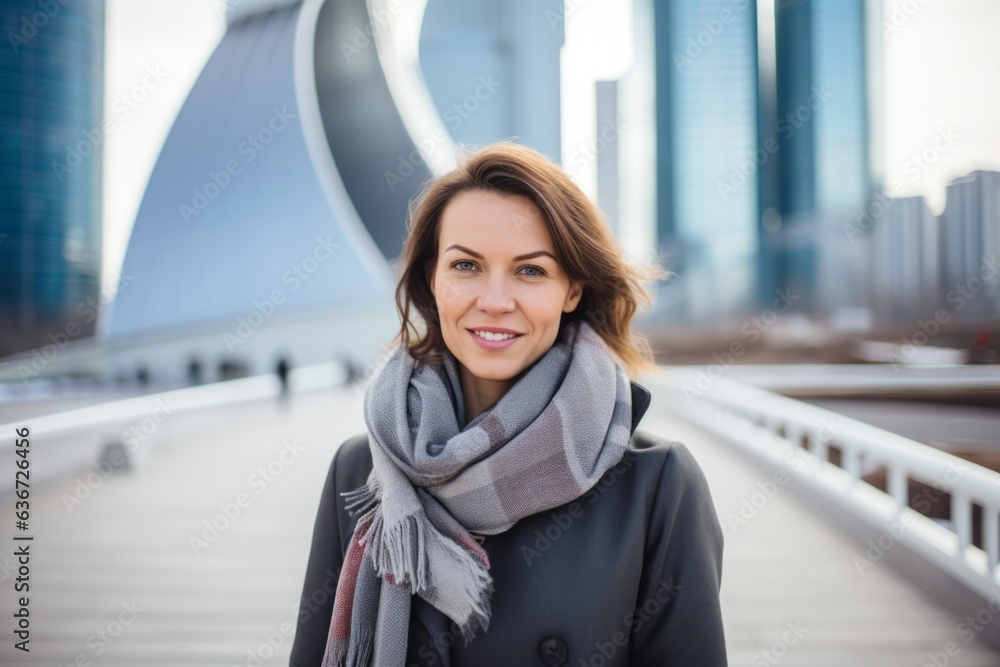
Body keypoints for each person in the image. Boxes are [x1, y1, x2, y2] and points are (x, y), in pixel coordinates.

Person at [290, 142, 728, 666]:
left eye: (531, 271)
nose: (495, 301)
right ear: (434, 280)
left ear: (572, 290)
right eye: (466, 265)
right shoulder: (361, 471)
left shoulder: (656, 487)